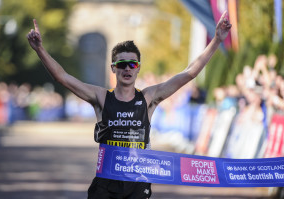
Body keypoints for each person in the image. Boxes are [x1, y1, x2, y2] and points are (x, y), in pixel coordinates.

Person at [27, 11, 231, 199]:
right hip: (105, 184)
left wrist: (216, 40)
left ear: (138, 68)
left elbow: (189, 73)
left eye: (132, 64)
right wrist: (40, 50)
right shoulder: (101, 97)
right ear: (113, 69)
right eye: (121, 64)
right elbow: (62, 77)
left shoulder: (149, 97)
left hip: (136, 184)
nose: (127, 69)